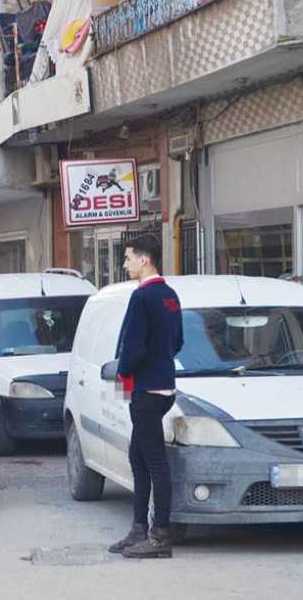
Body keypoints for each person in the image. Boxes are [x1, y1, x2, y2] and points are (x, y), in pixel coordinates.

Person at [108, 234, 183, 559]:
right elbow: (177, 340)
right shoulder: (170, 295)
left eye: (128, 258)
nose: (125, 264)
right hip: (164, 386)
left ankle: (160, 536)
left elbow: (132, 346)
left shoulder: (142, 297)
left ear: (145, 260)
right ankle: (139, 528)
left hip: (146, 389)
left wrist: (123, 372)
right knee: (138, 456)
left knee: (153, 461)